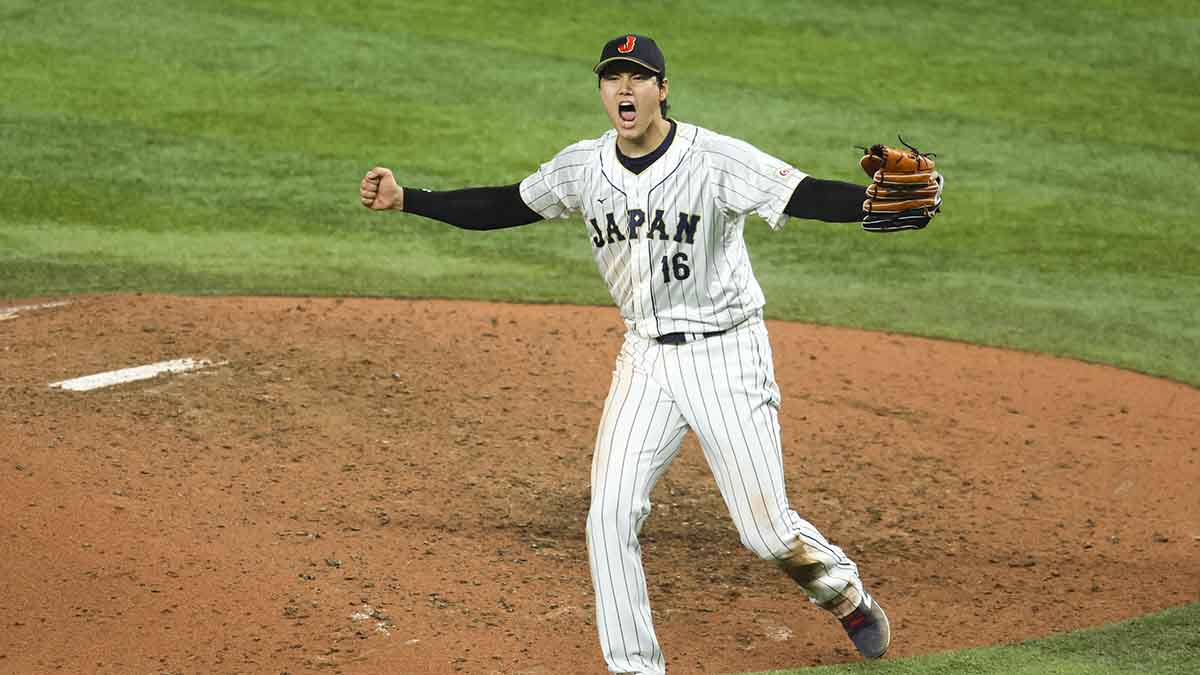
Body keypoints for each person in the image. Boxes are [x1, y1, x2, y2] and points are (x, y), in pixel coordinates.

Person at [360, 33, 900, 675]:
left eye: (639, 77)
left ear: (662, 90)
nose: (624, 88)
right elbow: (505, 204)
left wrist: (872, 203)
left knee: (767, 533)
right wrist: (409, 199)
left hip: (726, 354)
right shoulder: (583, 167)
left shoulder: (713, 159)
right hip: (644, 359)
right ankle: (635, 668)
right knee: (609, 517)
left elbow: (802, 193)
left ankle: (842, 595)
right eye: (613, 77)